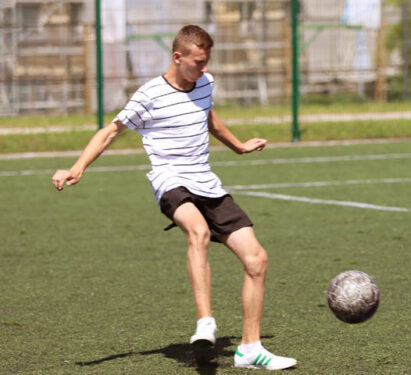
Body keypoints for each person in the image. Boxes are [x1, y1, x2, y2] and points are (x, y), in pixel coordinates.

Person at [52, 25, 296, 370]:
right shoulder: (149, 94)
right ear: (178, 57)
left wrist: (239, 146)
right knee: (197, 231)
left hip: (206, 182)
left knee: (256, 258)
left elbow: (208, 117)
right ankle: (205, 321)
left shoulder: (205, 83)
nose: (204, 69)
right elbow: (110, 131)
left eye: (207, 61)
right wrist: (77, 168)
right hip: (170, 181)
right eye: (198, 62)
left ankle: (249, 348)